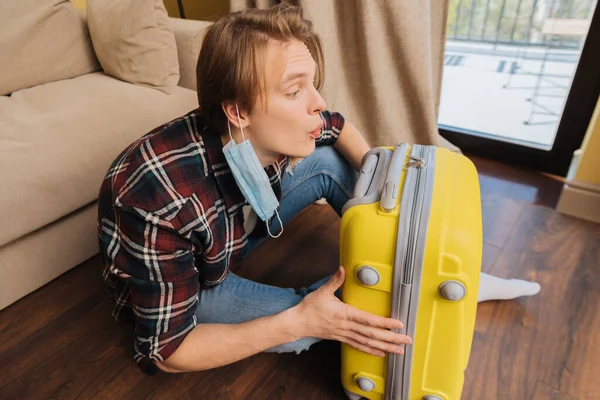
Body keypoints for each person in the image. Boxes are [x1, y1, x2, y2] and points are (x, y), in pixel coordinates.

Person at [96, 3, 540, 392]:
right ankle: (371, 305)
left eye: (313, 84)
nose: (317, 102)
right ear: (237, 111)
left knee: (329, 157)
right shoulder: (157, 197)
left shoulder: (269, 124)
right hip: (197, 281)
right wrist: (299, 320)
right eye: (295, 91)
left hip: (235, 229)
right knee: (302, 330)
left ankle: (413, 259)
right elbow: (166, 351)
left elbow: (338, 125)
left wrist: (390, 206)